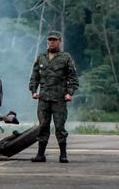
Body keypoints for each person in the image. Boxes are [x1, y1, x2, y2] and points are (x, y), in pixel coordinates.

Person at [29, 30, 78, 163]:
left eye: (54, 40)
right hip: (44, 99)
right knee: (43, 126)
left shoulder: (65, 58)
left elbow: (73, 78)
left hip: (59, 99)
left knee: (60, 127)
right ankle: (40, 155)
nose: (52, 42)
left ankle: (63, 155)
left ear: (60, 42)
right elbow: (34, 77)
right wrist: (33, 91)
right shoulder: (41, 57)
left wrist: (69, 92)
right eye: (50, 40)